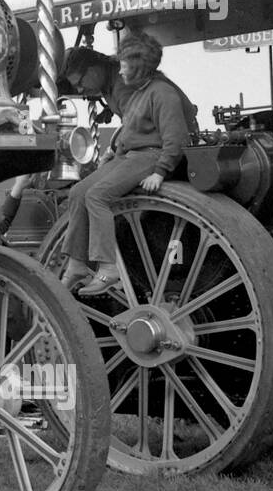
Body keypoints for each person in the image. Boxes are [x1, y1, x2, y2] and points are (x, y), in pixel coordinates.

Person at [60, 31, 198, 297]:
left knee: (97, 196)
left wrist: (160, 171)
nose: (118, 71)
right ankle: (77, 263)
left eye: (123, 66)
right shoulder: (140, 92)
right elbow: (133, 128)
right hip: (131, 154)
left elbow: (175, 138)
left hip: (149, 156)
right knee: (78, 192)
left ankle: (108, 267)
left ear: (138, 69)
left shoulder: (161, 93)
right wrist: (116, 150)